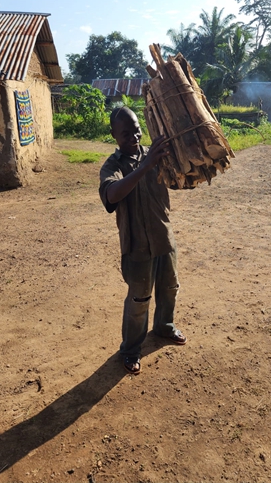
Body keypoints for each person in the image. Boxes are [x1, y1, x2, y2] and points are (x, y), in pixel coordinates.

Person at [99, 106, 187, 375]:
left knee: (170, 287)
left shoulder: (155, 154)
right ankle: (131, 349)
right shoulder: (112, 166)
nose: (134, 136)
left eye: (136, 129)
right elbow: (111, 195)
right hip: (136, 245)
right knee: (139, 300)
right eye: (125, 133)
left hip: (164, 236)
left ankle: (164, 326)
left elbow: (179, 179)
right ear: (114, 135)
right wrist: (144, 167)